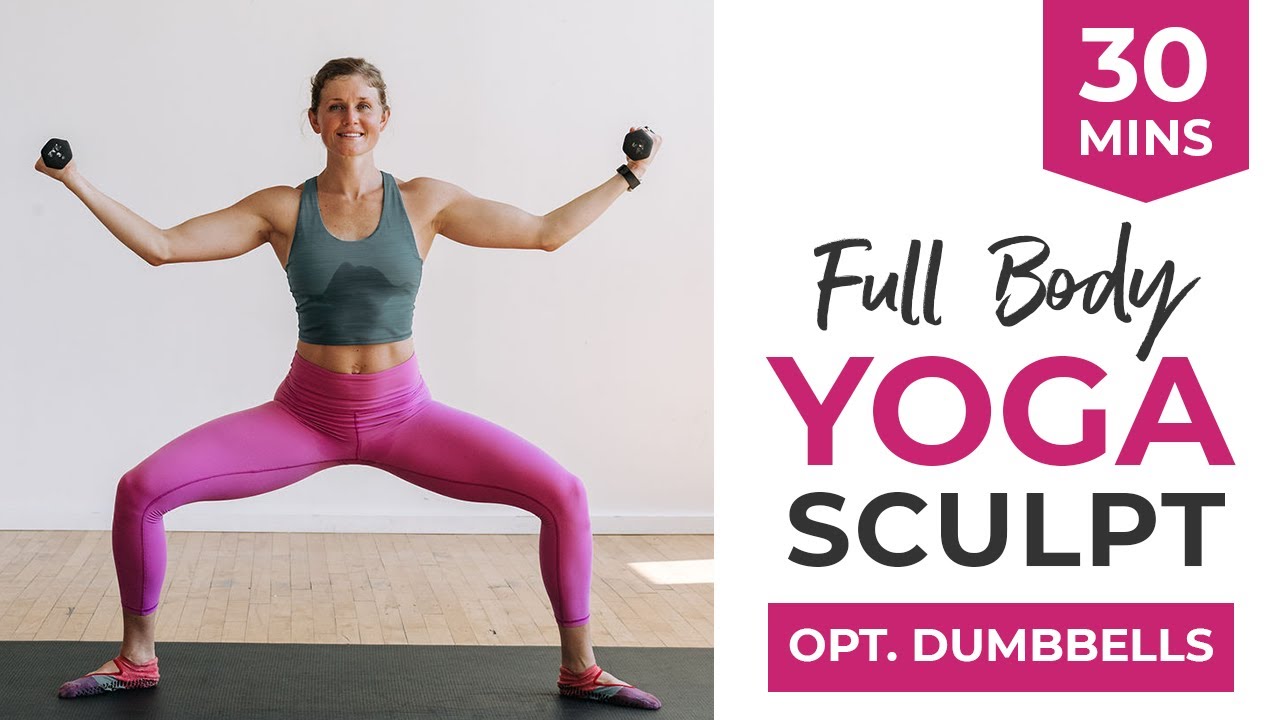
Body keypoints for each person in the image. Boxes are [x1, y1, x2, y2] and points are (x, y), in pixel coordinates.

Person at [36, 57, 663, 710]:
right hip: (306, 417)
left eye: (363, 105)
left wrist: (628, 176)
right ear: (314, 120)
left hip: (407, 418)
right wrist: (74, 179)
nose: (350, 118)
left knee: (563, 494)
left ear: (384, 118)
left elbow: (545, 234)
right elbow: (163, 246)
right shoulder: (281, 208)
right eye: (335, 106)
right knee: (140, 490)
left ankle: (581, 669)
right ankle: (136, 659)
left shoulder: (426, 202)